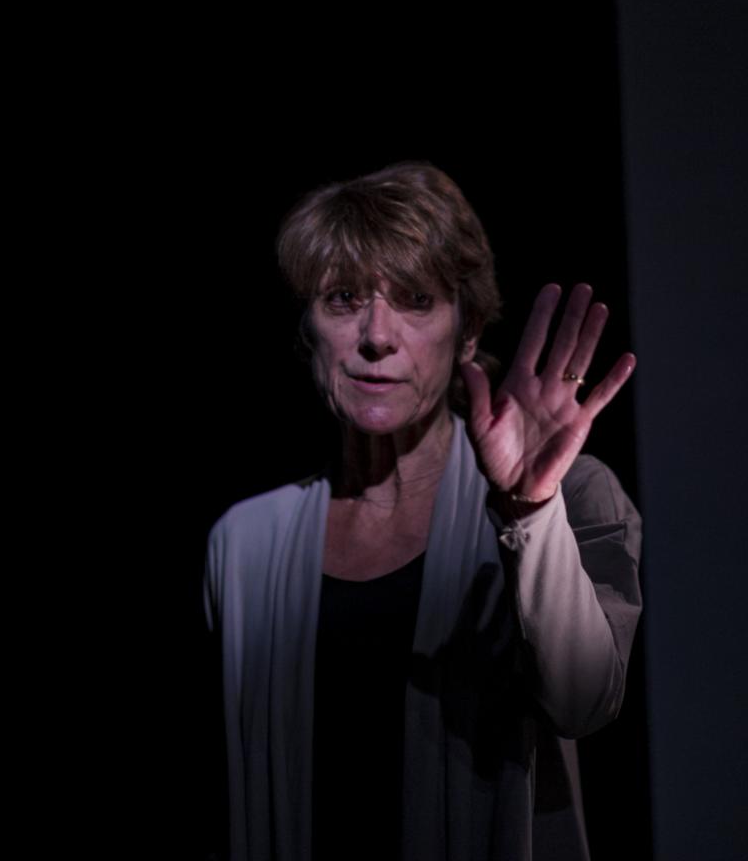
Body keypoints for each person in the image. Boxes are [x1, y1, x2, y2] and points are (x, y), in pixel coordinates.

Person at [203, 161, 643, 861]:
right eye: (343, 299)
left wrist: (529, 511)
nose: (377, 335)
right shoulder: (245, 543)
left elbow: (583, 701)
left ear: (468, 333)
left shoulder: (574, 493)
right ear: (306, 330)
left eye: (415, 300)